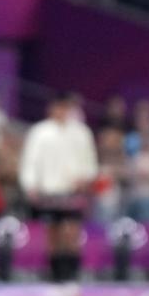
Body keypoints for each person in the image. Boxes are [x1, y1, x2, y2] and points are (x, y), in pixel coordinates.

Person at [19, 93, 98, 282]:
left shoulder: (81, 132)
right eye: (58, 108)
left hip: (73, 189)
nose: (61, 112)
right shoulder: (39, 132)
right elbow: (30, 161)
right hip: (49, 190)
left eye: (64, 108)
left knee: (72, 231)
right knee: (52, 233)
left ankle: (72, 273)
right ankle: (56, 274)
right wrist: (30, 184)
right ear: (51, 109)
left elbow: (90, 161)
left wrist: (86, 178)